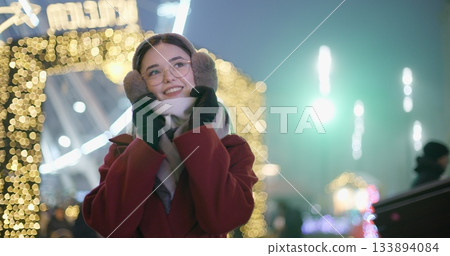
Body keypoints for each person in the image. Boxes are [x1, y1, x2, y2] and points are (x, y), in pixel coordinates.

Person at [82, 33, 258, 237]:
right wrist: (146, 144)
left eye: (179, 65)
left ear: (199, 73)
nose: (169, 77)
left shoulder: (233, 148)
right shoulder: (121, 151)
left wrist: (198, 130)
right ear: (141, 87)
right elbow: (109, 225)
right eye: (154, 72)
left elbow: (223, 219)